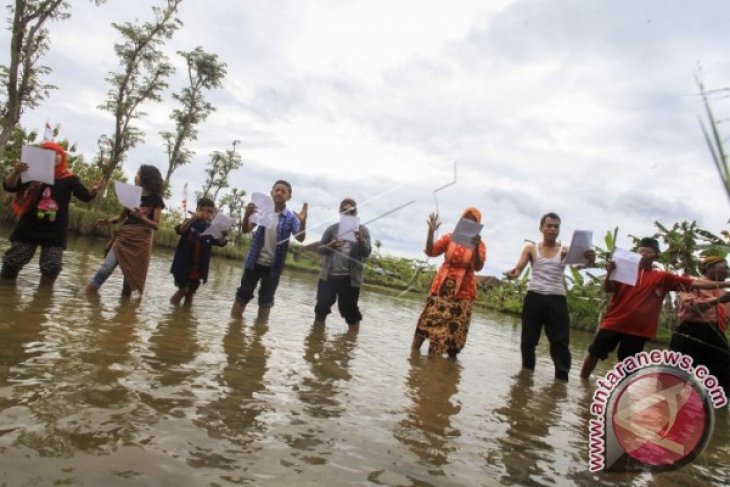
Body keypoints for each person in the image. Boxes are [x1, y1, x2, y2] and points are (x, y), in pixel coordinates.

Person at [580, 238, 730, 379]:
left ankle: (621, 394)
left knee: (628, 367)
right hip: (614, 323)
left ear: (656, 256)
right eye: (641, 251)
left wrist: (724, 284)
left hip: (638, 330)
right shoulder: (624, 270)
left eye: (648, 252)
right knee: (594, 353)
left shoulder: (663, 277)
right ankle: (583, 384)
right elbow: (608, 289)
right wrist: (609, 273)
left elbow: (695, 283)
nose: (643, 254)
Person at [504, 212, 595, 381]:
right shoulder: (530, 249)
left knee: (560, 342)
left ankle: (561, 380)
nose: (553, 229)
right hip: (534, 297)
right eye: (549, 225)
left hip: (556, 299)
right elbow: (518, 270)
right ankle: (526, 375)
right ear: (541, 228)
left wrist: (590, 260)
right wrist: (513, 274)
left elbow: (581, 267)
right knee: (528, 340)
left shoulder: (564, 250)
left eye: (556, 226)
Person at [1, 141, 101, 283]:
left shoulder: (70, 178)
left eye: (56, 154)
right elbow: (9, 187)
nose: (52, 156)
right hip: (29, 225)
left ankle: (43, 298)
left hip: (55, 229)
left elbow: (85, 196)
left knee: (51, 268)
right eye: (48, 153)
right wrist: (16, 172)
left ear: (62, 157)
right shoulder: (31, 172)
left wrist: (94, 190)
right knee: (12, 262)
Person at [412, 208, 486, 357]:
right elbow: (431, 251)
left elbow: (478, 266)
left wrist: (476, 246)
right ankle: (414, 359)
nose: (469, 223)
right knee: (428, 321)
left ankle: (444, 369)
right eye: (466, 220)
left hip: (463, 292)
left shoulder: (480, 244)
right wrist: (431, 232)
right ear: (461, 221)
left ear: (477, 224)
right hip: (442, 287)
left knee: (453, 331)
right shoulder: (450, 238)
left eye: (473, 221)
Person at [230, 180, 307, 322]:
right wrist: (247, 215)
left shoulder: (291, 217)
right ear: (271, 192)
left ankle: (259, 332)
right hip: (254, 261)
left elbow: (300, 238)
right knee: (243, 295)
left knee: (266, 301)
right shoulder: (262, 210)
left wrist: (303, 221)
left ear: (289, 197)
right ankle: (233, 326)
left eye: (283, 191)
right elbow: (246, 230)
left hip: (274, 267)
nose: (279, 193)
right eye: (276, 190)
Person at [85, 165, 165, 296]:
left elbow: (156, 225)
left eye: (138, 174)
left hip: (141, 242)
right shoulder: (132, 194)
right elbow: (121, 217)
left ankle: (123, 312)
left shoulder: (156, 199)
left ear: (146, 178)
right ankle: (87, 296)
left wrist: (142, 217)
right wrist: (106, 221)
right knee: (106, 268)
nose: (136, 176)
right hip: (124, 236)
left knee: (129, 280)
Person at [670, 256, 730, 393]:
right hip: (691, 330)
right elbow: (691, 306)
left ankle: (715, 408)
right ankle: (664, 407)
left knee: (724, 372)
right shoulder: (692, 284)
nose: (728, 271)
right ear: (709, 268)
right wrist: (718, 300)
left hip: (716, 332)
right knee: (676, 374)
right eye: (724, 268)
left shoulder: (726, 292)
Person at [313, 198, 372, 330]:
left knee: (350, 312)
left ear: (355, 213)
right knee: (321, 308)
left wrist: (361, 240)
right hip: (328, 276)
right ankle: (316, 337)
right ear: (340, 212)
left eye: (351, 212)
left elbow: (367, 252)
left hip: (350, 279)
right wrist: (331, 245)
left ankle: (352, 340)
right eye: (345, 211)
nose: (348, 214)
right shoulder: (332, 229)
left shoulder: (363, 231)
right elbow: (320, 249)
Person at [169, 197, 228, 305]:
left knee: (190, 293)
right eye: (208, 211)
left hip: (198, 268)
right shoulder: (189, 222)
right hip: (182, 266)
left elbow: (220, 242)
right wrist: (193, 218)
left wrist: (223, 235)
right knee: (183, 290)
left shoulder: (211, 229)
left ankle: (183, 318)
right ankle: (171, 311)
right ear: (198, 209)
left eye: (212, 212)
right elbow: (180, 230)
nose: (210, 214)